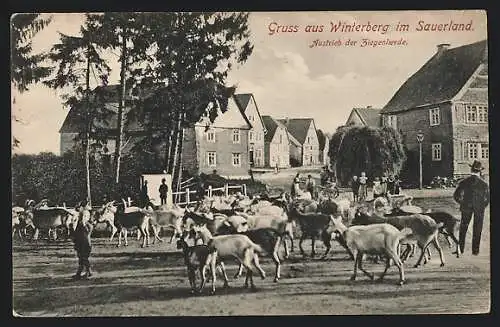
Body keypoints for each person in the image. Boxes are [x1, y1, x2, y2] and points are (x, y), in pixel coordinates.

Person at [453, 160, 489, 256]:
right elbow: (488, 199)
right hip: (479, 208)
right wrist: (482, 206)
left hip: (466, 207)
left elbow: (456, 196)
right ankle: (475, 251)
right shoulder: (484, 184)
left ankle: (461, 249)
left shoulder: (464, 182)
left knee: (463, 227)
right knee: (478, 229)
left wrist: (462, 203)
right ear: (480, 171)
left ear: (471, 170)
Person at [72, 200, 93, 280]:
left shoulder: (85, 216)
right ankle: (86, 272)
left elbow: (84, 224)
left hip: (83, 239)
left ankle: (84, 273)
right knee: (82, 257)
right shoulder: (85, 215)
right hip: (82, 238)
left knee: (82, 257)